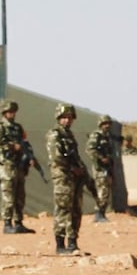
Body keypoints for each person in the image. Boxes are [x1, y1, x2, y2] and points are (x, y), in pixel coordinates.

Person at [0, 100, 35, 234]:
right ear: (4, 112)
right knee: (8, 194)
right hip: (7, 165)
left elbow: (26, 143)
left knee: (20, 195)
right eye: (9, 112)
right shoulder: (0, 127)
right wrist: (11, 146)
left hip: (19, 164)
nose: (12, 114)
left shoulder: (18, 127)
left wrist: (30, 157)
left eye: (13, 111)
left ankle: (19, 222)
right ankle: (7, 223)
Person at [46, 103, 85, 255]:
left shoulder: (69, 135)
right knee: (62, 209)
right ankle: (60, 245)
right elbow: (57, 157)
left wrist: (81, 170)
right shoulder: (54, 134)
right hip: (63, 177)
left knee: (76, 209)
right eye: (64, 118)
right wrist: (72, 169)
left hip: (74, 178)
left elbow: (75, 157)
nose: (67, 121)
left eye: (69, 118)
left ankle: (73, 243)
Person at [86, 114, 115, 223]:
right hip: (99, 169)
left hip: (107, 168)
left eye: (108, 124)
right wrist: (101, 158)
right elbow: (90, 150)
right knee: (102, 191)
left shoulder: (107, 137)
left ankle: (101, 213)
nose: (107, 126)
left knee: (106, 191)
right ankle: (99, 214)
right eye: (105, 124)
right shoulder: (96, 135)